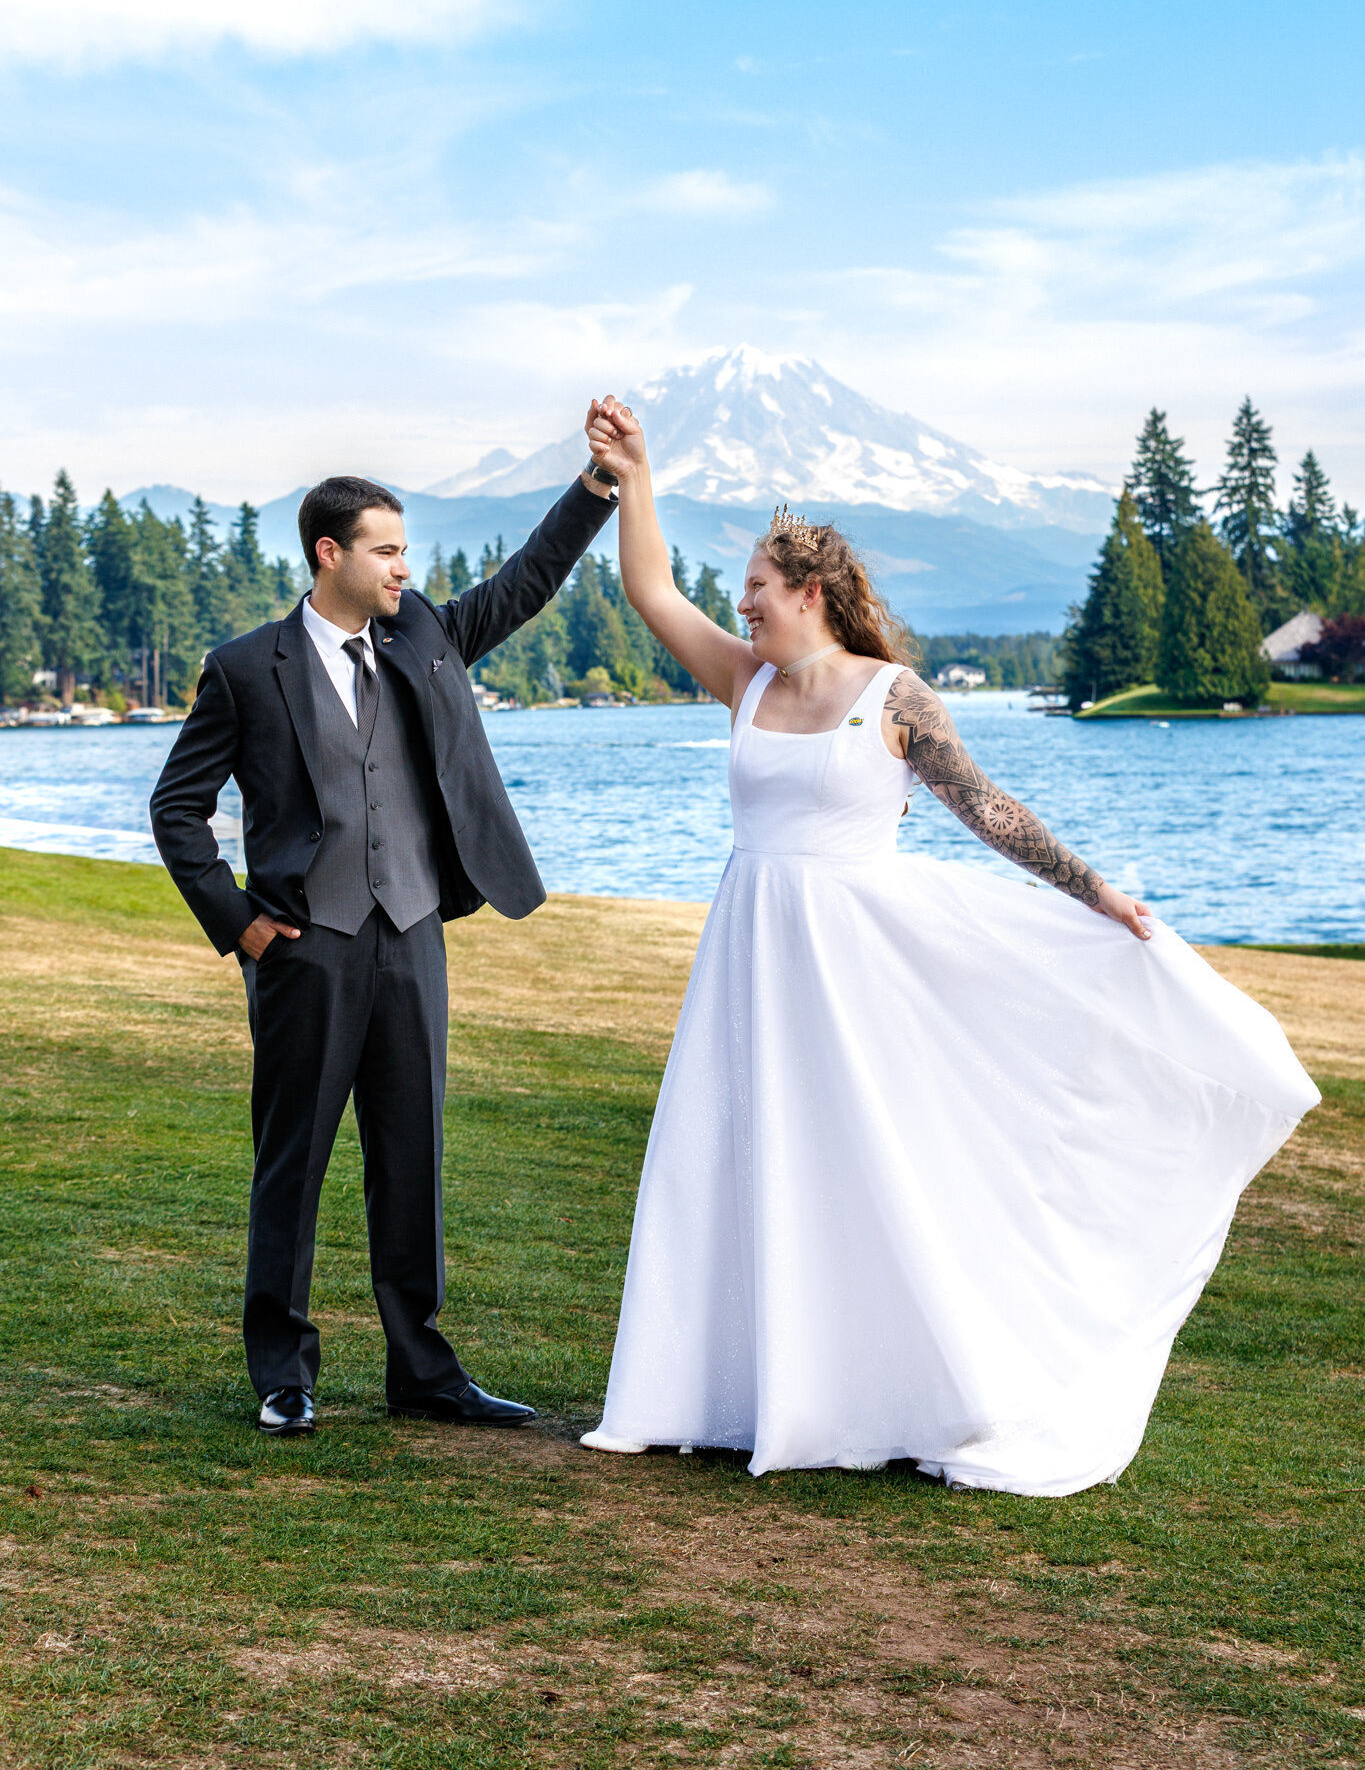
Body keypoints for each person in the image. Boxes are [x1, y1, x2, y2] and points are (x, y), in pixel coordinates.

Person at [577, 398, 1319, 1495]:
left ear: (811, 596)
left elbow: (993, 812)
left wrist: (1100, 893)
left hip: (858, 965)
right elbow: (650, 590)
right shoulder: (748, 680)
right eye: (741, 599)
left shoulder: (895, 698)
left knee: (865, 1165)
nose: (744, 611)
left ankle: (884, 1390)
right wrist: (637, 473)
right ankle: (693, 1393)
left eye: (760, 596)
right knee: (727, 1153)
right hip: (749, 956)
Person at [150, 418, 621, 1436]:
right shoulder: (245, 668)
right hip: (304, 948)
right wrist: (241, 923)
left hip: (411, 933)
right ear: (331, 553)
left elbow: (525, 583)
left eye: (404, 550)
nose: (405, 566)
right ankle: (282, 1368)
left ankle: (425, 1370)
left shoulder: (424, 634)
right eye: (387, 549)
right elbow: (176, 808)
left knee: (412, 1158)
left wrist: (596, 486)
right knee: (296, 1161)